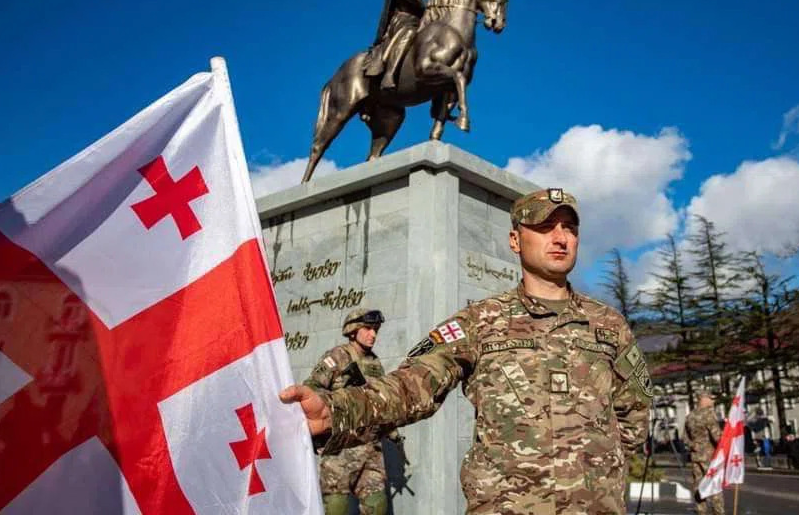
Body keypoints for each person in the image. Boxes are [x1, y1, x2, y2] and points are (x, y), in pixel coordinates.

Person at [280, 188, 653, 514]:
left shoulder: (609, 325)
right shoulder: (479, 322)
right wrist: (335, 409)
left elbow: (634, 414)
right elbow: (412, 386)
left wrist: (594, 469)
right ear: (514, 240)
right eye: (544, 227)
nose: (561, 238)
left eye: (569, 228)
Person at [304, 308, 402, 515]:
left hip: (370, 449)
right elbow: (312, 388)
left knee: (377, 506)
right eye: (367, 328)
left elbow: (380, 400)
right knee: (336, 508)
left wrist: (391, 430)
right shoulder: (337, 357)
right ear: (352, 331)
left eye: (375, 329)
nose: (373, 334)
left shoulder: (374, 363)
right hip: (341, 449)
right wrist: (342, 395)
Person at [364, 0, 425, 90]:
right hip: (402, 19)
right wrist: (422, 5)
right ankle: (389, 75)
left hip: (416, 19)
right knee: (409, 33)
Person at [684, 390, 724, 515]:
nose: (713, 401)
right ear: (703, 399)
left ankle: (701, 511)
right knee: (714, 485)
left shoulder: (690, 416)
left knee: (699, 486)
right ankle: (718, 512)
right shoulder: (708, 415)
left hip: (696, 456)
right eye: (711, 398)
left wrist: (694, 446)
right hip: (709, 456)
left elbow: (685, 439)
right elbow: (717, 437)